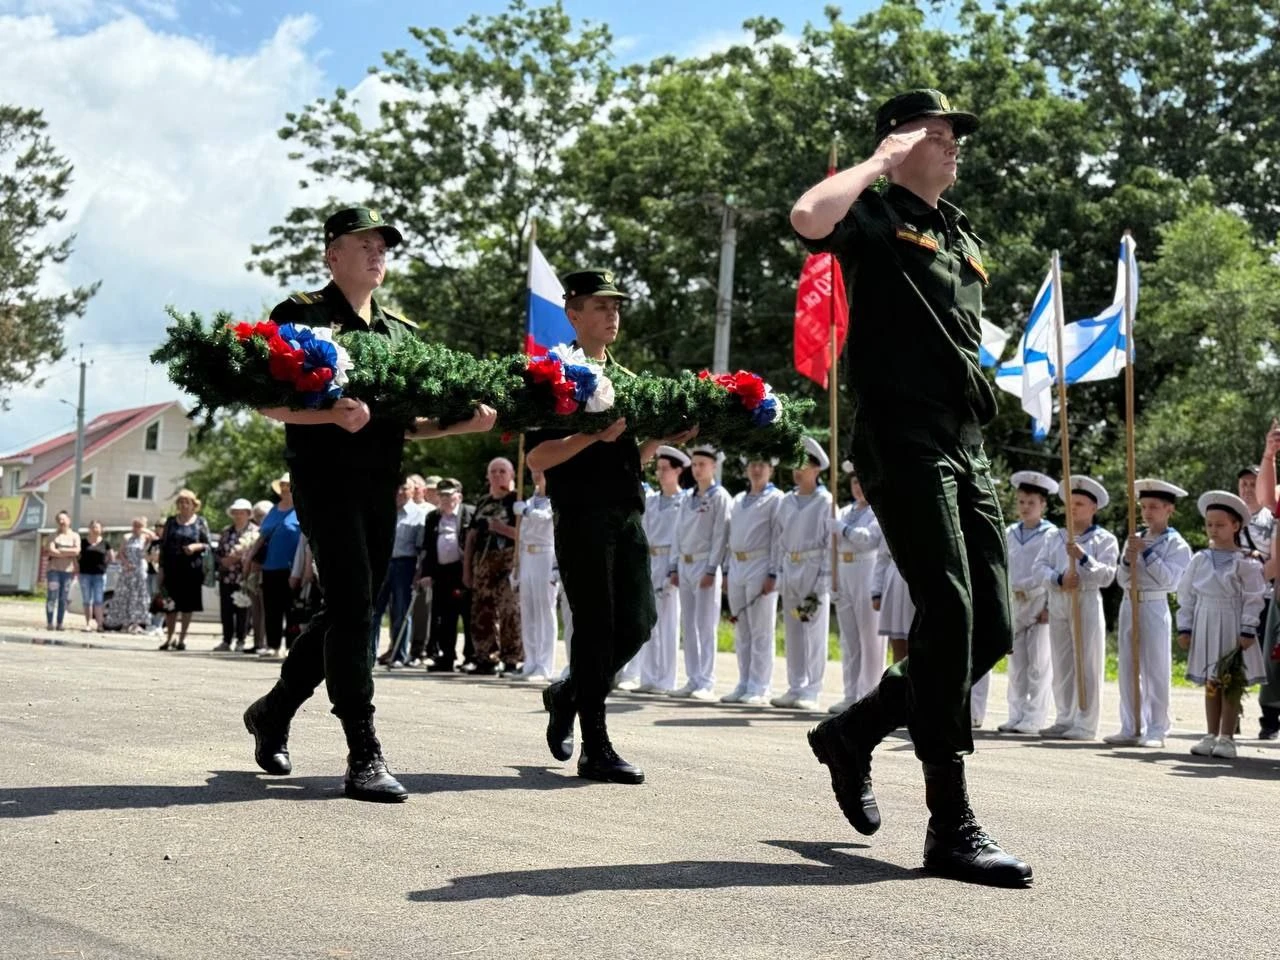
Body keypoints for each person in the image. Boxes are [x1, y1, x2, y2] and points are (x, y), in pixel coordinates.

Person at [792, 89, 1030, 885]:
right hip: (901, 438)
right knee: (951, 610)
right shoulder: (871, 214)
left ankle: (854, 732)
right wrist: (877, 162)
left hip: (966, 441)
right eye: (938, 134)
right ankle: (949, 823)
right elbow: (806, 218)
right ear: (899, 144)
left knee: (990, 624)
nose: (954, 145)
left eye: (957, 133)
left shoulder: (959, 232)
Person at [242, 206, 496, 804]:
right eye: (365, 244)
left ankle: (274, 710)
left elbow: (405, 427)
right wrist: (329, 413)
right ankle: (363, 750)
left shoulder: (401, 335)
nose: (378, 254)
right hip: (323, 480)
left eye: (383, 246)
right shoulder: (299, 316)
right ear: (333, 254)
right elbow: (265, 401)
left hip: (380, 483)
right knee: (355, 603)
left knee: (350, 608)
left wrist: (458, 428)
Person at [526, 267, 696, 785]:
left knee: (640, 621)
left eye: (616, 306)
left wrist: (661, 443)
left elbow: (629, 456)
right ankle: (595, 747)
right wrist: (589, 435)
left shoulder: (627, 381)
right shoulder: (553, 376)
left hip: (627, 514)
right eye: (600, 306)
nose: (612, 314)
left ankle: (568, 692)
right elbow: (537, 455)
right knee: (596, 626)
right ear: (572, 313)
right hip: (581, 517)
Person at [1177, 491, 1267, 760]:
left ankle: (1227, 737)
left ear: (1235, 526)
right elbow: (1187, 594)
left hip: (1231, 621)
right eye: (1210, 524)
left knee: (1230, 680)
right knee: (1211, 681)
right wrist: (1186, 626)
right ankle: (1209, 734)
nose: (1214, 530)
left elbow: (1253, 597)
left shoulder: (1246, 561)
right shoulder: (1200, 559)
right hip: (1206, 620)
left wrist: (1248, 628)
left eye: (1220, 524)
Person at [1105, 479, 1192, 749]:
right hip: (1130, 603)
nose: (1147, 512)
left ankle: (1157, 727)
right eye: (1143, 506)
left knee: (1155, 668)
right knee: (1129, 666)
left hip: (1154, 604)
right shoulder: (1135, 538)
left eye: (1154, 507)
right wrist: (1129, 559)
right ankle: (1130, 725)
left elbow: (1172, 581)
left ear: (1169, 510)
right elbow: (1121, 578)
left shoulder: (1176, 544)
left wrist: (1147, 556)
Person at [1034, 476, 1118, 741]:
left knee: (1087, 661)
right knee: (1062, 662)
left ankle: (1086, 721)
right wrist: (1059, 578)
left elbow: (1108, 576)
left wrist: (1083, 558)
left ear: (1093, 508)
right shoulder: (1054, 536)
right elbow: (1039, 567)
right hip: (1060, 598)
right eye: (1071, 503)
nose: (1073, 508)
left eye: (1080, 504)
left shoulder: (1104, 539)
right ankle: (1065, 716)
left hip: (1086, 599)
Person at [770, 437, 833, 711]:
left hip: (812, 569)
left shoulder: (825, 502)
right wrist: (779, 572)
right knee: (794, 630)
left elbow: (830, 544)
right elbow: (779, 540)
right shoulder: (786, 501)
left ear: (816, 469)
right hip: (791, 569)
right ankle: (795, 685)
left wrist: (823, 581)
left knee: (814, 632)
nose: (798, 469)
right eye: (795, 463)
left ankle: (812, 688)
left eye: (804, 464)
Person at [997, 472, 1058, 735]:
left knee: (1039, 664)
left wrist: (1048, 606)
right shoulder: (1010, 532)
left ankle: (1035, 717)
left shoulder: (1051, 534)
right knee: (1017, 664)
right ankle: (1017, 713)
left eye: (1031, 502)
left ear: (1043, 504)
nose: (1025, 507)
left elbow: (1052, 570)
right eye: (1021, 501)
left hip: (1038, 600)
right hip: (1015, 602)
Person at [669, 444, 731, 700]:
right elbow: (678, 532)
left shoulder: (720, 497)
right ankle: (692, 678)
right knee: (688, 624)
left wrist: (712, 567)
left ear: (713, 466)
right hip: (685, 563)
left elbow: (721, 535)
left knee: (705, 625)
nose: (697, 469)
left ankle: (706, 680)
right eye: (694, 465)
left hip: (705, 564)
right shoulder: (686, 497)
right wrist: (673, 565)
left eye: (702, 464)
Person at [723, 456, 784, 705]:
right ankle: (744, 681)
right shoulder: (738, 500)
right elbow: (730, 536)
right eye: (753, 464)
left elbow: (778, 538)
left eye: (762, 465)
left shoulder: (776, 498)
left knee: (761, 629)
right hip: (737, 564)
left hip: (761, 563)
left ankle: (760, 686)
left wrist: (773, 572)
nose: (756, 469)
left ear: (771, 468)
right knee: (742, 629)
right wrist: (726, 570)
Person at [826, 462, 883, 714]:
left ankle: (870, 694)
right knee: (849, 639)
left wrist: (844, 530)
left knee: (869, 637)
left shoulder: (877, 511)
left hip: (865, 570)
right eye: (855, 482)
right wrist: (832, 580)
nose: (859, 487)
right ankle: (850, 692)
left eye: (862, 482)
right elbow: (833, 547)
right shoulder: (845, 511)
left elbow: (868, 540)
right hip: (844, 569)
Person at [635, 446, 688, 695]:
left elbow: (682, 535)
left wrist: (674, 568)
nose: (660, 473)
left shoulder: (684, 501)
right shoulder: (653, 500)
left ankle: (665, 679)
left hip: (669, 559)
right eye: (658, 469)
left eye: (665, 469)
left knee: (667, 623)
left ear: (678, 470)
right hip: (650, 559)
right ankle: (648, 675)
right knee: (648, 621)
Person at [465, 457, 522, 675]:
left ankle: (511, 658)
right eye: (494, 471)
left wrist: (497, 527)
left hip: (507, 558)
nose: (498, 475)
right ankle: (485, 657)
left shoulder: (517, 501)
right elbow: (470, 538)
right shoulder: (483, 502)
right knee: (481, 610)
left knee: (509, 609)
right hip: (483, 560)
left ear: (511, 474)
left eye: (502, 471)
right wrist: (467, 570)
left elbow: (524, 534)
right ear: (488, 475)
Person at [421, 478, 476, 673]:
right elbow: (427, 547)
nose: (444, 498)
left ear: (458, 496)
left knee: (467, 615)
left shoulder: (469, 512)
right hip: (441, 573)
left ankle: (472, 656)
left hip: (462, 570)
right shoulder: (432, 517)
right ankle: (446, 656)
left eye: (449, 494)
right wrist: (425, 573)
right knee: (444, 617)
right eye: (441, 495)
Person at [371, 480, 426, 668]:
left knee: (402, 610)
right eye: (397, 487)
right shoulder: (384, 512)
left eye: (405, 488)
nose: (400, 492)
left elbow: (421, 549)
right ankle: (368, 655)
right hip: (382, 563)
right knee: (374, 611)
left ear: (412, 491)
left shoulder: (419, 515)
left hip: (405, 564)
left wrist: (419, 572)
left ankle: (399, 655)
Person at [513, 469, 558, 682]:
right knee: (528, 610)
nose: (537, 475)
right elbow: (521, 537)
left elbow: (546, 519)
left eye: (541, 471)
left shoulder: (554, 500)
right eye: (534, 471)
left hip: (545, 556)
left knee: (544, 611)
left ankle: (544, 664)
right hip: (528, 556)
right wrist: (517, 565)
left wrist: (526, 512)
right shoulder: (530, 501)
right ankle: (530, 660)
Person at [157, 489, 211, 651]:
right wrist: (161, 569)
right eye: (180, 502)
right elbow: (164, 546)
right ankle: (170, 638)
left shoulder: (200, 522)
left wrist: (196, 546)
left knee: (187, 606)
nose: (183, 505)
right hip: (172, 569)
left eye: (186, 502)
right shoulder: (171, 521)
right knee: (170, 606)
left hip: (191, 570)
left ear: (194, 504)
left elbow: (207, 544)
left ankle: (182, 639)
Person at [256, 474, 301, 660]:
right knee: (271, 607)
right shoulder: (274, 510)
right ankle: (273, 645)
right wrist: (250, 558)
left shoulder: (301, 510)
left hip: (291, 567)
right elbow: (262, 537)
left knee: (291, 608)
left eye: (288, 485)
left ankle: (293, 646)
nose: (284, 489)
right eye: (282, 485)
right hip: (270, 565)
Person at [214, 499, 258, 652]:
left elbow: (258, 553)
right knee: (226, 610)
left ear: (248, 514)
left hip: (245, 577)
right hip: (227, 576)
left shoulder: (255, 531)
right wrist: (223, 561)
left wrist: (240, 558)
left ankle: (241, 640)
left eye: (242, 513)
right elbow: (218, 553)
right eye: (236, 513)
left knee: (244, 610)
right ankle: (226, 640)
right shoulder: (227, 531)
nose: (238, 516)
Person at [407, 475, 439, 666]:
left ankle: (426, 648)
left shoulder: (433, 511)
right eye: (431, 489)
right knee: (416, 610)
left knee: (428, 611)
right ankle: (413, 648)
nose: (433, 493)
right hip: (417, 564)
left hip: (433, 566)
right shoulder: (418, 510)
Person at [106, 517, 154, 633]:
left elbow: (154, 537)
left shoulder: (145, 538)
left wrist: (144, 530)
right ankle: (124, 623)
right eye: (135, 526)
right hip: (127, 570)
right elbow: (121, 553)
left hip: (139, 570)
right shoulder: (127, 537)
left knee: (137, 597)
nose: (136, 528)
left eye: (139, 526)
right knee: (125, 596)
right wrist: (126, 563)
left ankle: (136, 623)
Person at [44, 510, 80, 632]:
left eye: (64, 519)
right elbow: (51, 551)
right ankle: (50, 622)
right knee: (52, 597)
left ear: (69, 521)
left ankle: (60, 623)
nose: (61, 522)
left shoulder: (75, 536)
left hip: (68, 571)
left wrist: (60, 550)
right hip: (53, 570)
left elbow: (76, 551)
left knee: (63, 598)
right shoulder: (53, 536)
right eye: (59, 520)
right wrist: (68, 552)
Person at [77, 520, 113, 632]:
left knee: (98, 600)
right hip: (85, 574)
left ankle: (100, 625)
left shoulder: (105, 543)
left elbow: (111, 557)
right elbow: (76, 556)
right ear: (89, 528)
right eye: (93, 527)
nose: (95, 529)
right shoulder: (83, 542)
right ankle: (87, 624)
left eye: (97, 527)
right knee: (87, 600)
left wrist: (105, 566)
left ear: (101, 529)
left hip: (99, 575)